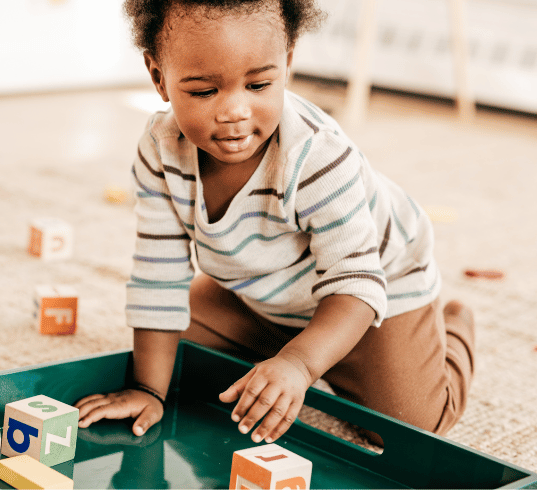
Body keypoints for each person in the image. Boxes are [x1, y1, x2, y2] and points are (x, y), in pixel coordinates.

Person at [75, 0, 475, 446]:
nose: (234, 111)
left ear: (286, 64)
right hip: (267, 289)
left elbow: (356, 281)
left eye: (259, 84)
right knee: (171, 355)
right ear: (158, 78)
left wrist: (301, 364)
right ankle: (294, 342)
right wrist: (149, 390)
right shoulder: (160, 148)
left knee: (409, 428)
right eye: (205, 91)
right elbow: (157, 275)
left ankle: (452, 324)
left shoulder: (317, 154)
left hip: (374, 286)